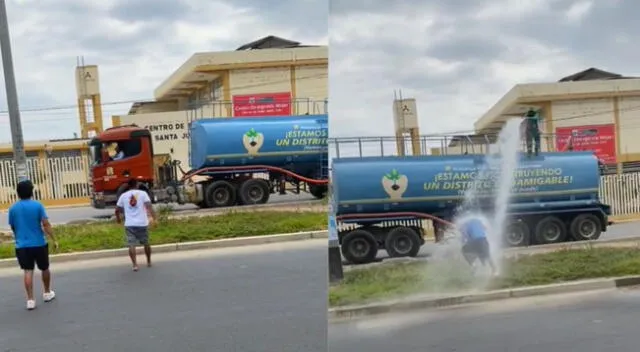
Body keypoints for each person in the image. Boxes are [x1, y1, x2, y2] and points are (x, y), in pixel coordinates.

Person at [8, 180, 59, 310]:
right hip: (39, 243)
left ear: (18, 193)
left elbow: (13, 226)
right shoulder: (38, 205)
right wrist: (54, 239)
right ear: (31, 192)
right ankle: (47, 292)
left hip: (22, 245)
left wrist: (19, 236)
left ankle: (30, 300)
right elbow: (46, 224)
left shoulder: (13, 208)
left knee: (28, 271)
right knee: (44, 268)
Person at [115, 179, 155, 271]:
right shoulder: (143, 194)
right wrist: (154, 218)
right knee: (146, 243)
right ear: (136, 185)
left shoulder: (123, 195)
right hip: (142, 223)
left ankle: (135, 265)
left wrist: (118, 218)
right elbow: (149, 206)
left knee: (131, 244)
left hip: (130, 224)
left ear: (128, 186)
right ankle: (148, 261)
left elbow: (117, 209)